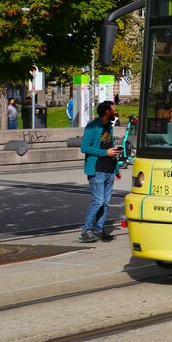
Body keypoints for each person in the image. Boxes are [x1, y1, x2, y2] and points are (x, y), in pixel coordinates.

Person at [79, 100, 121, 243]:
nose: (115, 112)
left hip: (109, 169)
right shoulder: (92, 126)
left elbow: (109, 146)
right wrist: (105, 153)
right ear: (106, 112)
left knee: (106, 202)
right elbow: (84, 147)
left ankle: (99, 229)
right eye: (113, 109)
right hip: (97, 169)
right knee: (98, 201)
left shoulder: (109, 126)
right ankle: (86, 230)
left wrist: (116, 168)